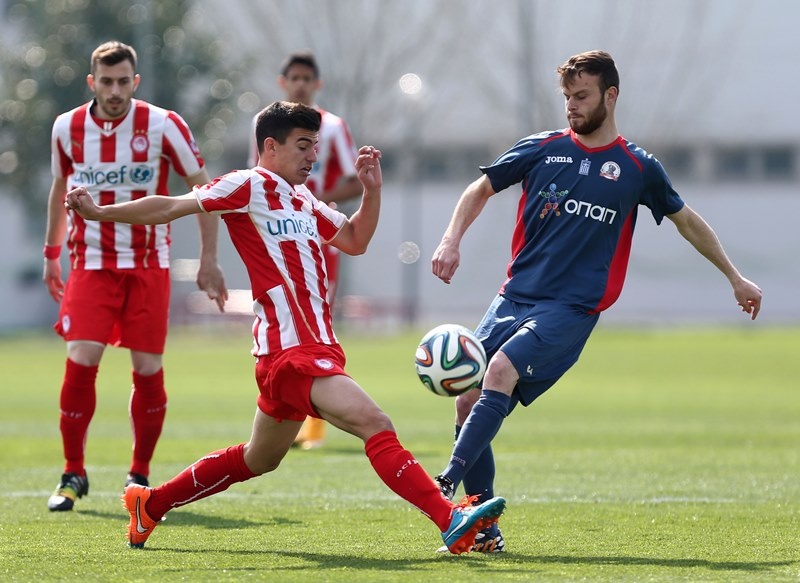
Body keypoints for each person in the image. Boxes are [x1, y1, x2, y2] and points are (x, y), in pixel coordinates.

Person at [64, 101, 506, 554]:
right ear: (270, 146)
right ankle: (449, 518)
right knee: (374, 422)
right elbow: (173, 206)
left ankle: (150, 504)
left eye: (315, 144)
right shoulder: (248, 184)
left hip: (314, 347)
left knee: (259, 458)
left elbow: (354, 240)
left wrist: (372, 192)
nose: (313, 154)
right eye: (303, 145)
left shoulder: (303, 198)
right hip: (289, 351)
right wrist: (101, 213)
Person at [429, 50, 763, 553]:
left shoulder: (637, 167)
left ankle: (446, 481)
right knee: (466, 396)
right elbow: (480, 188)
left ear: (611, 96)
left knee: (498, 370)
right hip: (513, 297)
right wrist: (450, 240)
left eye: (581, 96)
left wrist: (735, 277)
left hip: (571, 310)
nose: (571, 107)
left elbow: (687, 221)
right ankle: (484, 530)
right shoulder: (542, 149)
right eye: (566, 97)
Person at [43, 41, 227, 512]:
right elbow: (60, 187)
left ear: (135, 82)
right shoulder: (67, 127)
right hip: (92, 263)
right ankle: (72, 471)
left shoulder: (163, 124)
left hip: (148, 266)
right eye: (106, 82)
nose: (115, 90)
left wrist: (209, 259)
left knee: (147, 369)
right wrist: (51, 254)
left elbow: (204, 189)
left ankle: (139, 474)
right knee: (80, 359)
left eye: (123, 81)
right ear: (92, 83)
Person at [248, 50, 362, 450]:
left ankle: (313, 426)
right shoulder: (269, 125)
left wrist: (309, 201)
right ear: (284, 83)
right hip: (278, 233)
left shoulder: (332, 128)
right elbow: (257, 180)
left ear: (317, 85)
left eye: (306, 79)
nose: (300, 84)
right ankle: (292, 413)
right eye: (293, 78)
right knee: (281, 315)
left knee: (317, 313)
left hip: (317, 232)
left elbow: (352, 181)